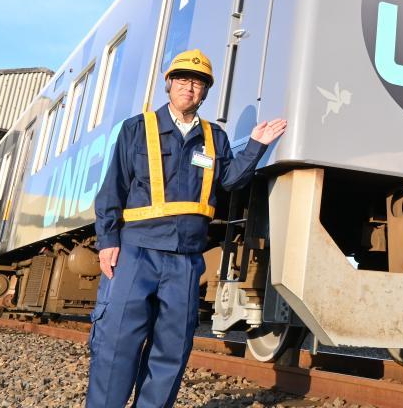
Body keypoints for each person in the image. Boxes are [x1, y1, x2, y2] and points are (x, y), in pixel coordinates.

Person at [87, 48, 287, 408]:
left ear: (206, 91)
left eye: (197, 82)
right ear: (169, 84)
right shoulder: (137, 128)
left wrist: (257, 145)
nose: (188, 87)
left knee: (172, 351)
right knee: (117, 345)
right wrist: (107, 241)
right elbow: (112, 189)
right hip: (136, 252)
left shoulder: (216, 138)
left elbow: (229, 181)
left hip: (185, 259)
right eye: (182, 79)